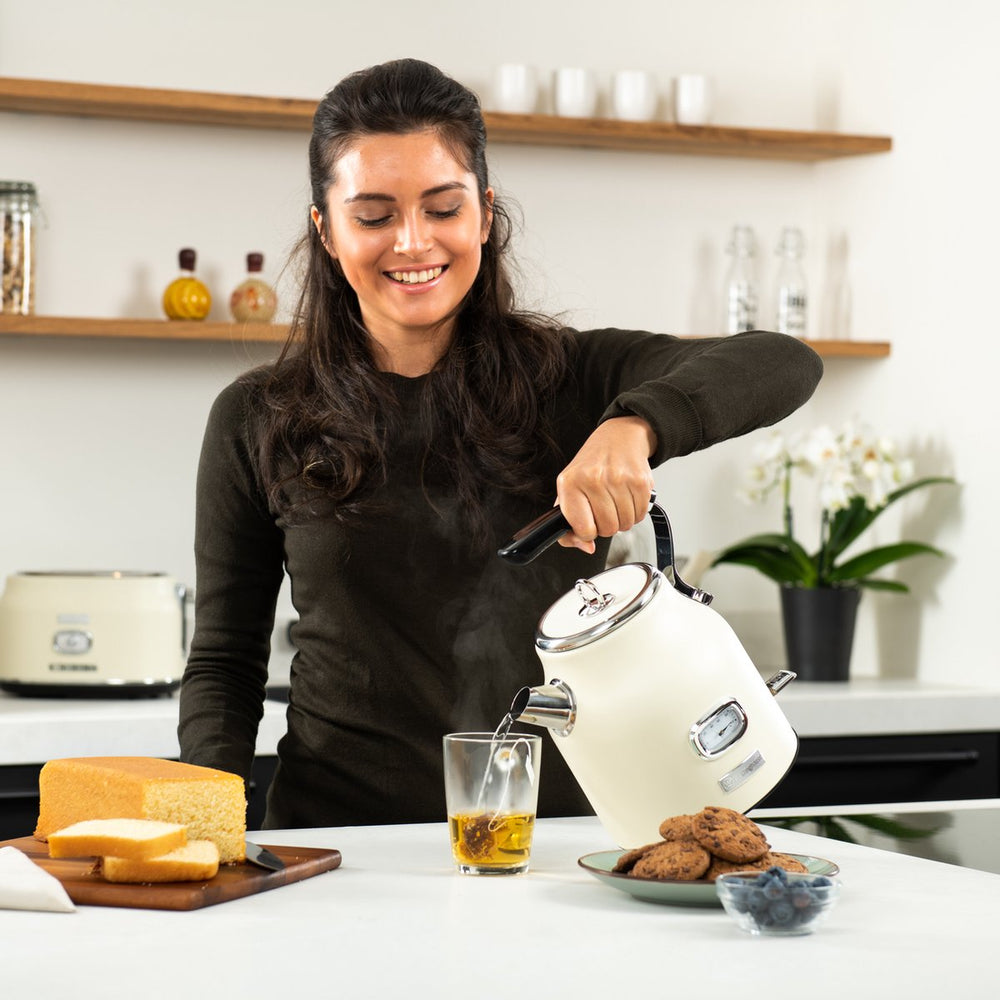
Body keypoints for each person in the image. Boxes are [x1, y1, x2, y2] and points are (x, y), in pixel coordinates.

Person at [178, 58, 823, 829]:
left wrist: (634, 424)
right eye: (374, 215)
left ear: (484, 213)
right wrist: (204, 836)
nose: (412, 242)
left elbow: (784, 360)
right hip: (340, 849)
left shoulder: (574, 379)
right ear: (327, 230)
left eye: (442, 208)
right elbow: (224, 663)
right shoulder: (258, 416)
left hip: (557, 846)